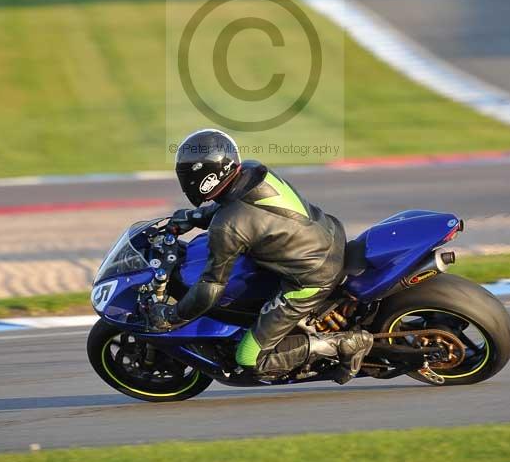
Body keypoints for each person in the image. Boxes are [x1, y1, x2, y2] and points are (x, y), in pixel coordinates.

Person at [151, 129, 373, 379]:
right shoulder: (252, 172)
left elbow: (211, 288)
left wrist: (173, 315)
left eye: (185, 173)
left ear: (204, 177)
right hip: (328, 236)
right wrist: (195, 217)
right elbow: (243, 209)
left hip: (311, 277)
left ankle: (345, 343)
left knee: (250, 359)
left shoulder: (228, 226)